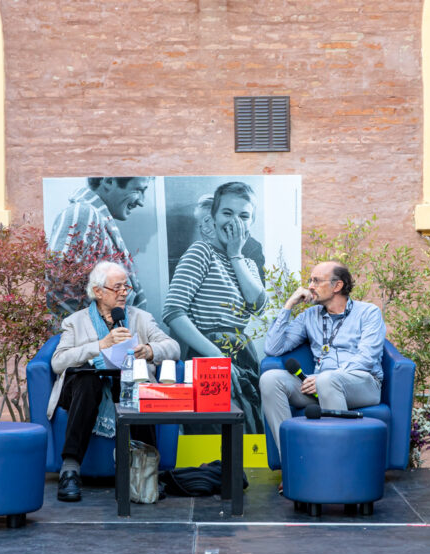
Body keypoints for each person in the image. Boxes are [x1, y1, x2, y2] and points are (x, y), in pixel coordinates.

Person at [50, 261, 180, 502]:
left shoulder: (141, 318)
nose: (123, 293)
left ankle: (146, 472)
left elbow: (173, 347)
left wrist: (149, 350)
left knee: (136, 382)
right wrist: (101, 345)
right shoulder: (75, 322)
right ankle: (70, 471)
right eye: (117, 287)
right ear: (98, 291)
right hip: (83, 390)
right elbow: (58, 362)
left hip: (124, 384)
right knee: (88, 380)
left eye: (126, 287)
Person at [259, 261, 386, 490]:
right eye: (310, 280)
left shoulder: (368, 313)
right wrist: (289, 305)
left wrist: (326, 378)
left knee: (328, 380)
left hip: (362, 383)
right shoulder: (310, 316)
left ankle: (339, 472)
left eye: (316, 281)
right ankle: (293, 467)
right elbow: (273, 348)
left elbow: (367, 357)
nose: (310, 286)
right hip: (320, 385)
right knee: (270, 379)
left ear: (337, 286)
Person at [163, 181, 267, 433]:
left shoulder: (248, 264)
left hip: (243, 353)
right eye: (227, 213)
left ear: (251, 222)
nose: (235, 222)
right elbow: (173, 312)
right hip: (208, 353)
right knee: (214, 435)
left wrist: (235, 254)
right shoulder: (200, 252)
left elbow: (258, 306)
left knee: (247, 431)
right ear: (214, 216)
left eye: (244, 216)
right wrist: (217, 357)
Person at [49, 177, 151, 313]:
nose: (141, 202)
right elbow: (58, 277)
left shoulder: (98, 220)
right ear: (109, 181)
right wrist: (96, 324)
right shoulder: (83, 213)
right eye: (138, 190)